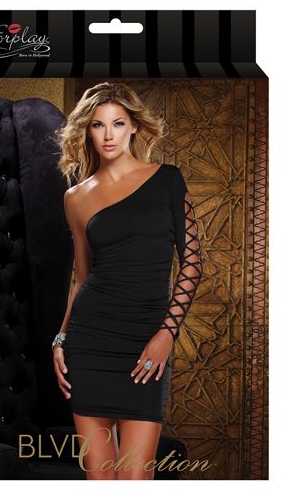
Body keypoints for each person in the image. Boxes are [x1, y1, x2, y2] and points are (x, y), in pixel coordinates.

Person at [52, 82, 203, 480]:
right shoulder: (76, 197)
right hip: (90, 342)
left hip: (145, 338)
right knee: (100, 478)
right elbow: (82, 276)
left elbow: (192, 263)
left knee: (136, 478)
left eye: (118, 123)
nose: (108, 135)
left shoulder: (168, 180)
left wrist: (167, 333)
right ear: (87, 130)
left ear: (134, 127)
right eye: (98, 125)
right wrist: (61, 338)